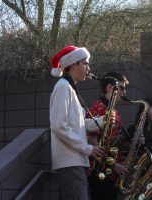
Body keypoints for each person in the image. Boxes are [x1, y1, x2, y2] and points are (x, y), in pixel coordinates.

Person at [49, 45, 105, 200]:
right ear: (73, 64)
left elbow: (79, 123)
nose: (88, 68)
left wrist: (105, 120)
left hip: (75, 160)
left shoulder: (69, 88)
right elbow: (59, 126)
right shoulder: (63, 87)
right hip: (70, 161)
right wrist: (87, 148)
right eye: (85, 63)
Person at [86, 71, 130, 200]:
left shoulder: (113, 110)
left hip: (109, 173)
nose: (124, 93)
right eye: (122, 88)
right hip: (101, 172)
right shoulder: (98, 108)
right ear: (110, 87)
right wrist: (114, 165)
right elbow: (91, 140)